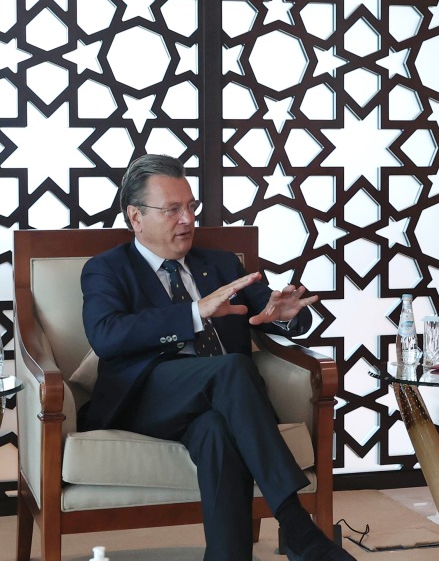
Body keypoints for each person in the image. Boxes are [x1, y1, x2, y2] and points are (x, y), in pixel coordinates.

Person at [80, 154, 351, 561]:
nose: (187, 219)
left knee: (215, 433)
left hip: (221, 401)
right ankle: (296, 525)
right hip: (146, 398)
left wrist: (288, 317)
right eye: (173, 209)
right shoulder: (106, 269)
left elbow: (272, 313)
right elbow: (106, 336)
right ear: (136, 217)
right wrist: (194, 314)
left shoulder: (221, 264)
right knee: (231, 368)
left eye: (191, 206)